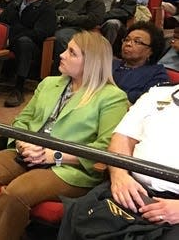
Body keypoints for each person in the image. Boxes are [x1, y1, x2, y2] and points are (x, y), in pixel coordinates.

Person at [0, 30, 129, 240]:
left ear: (91, 62)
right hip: (29, 151)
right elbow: (22, 121)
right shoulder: (50, 83)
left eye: (72, 52)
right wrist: (22, 143)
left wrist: (55, 155)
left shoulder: (112, 97)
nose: (62, 55)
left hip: (68, 166)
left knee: (15, 194)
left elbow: (106, 148)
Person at [59, 84, 179, 240]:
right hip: (131, 186)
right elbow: (122, 137)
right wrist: (119, 175)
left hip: (175, 203)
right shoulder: (157, 94)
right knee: (81, 216)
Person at [0, 0, 56, 107]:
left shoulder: (46, 8)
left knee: (25, 42)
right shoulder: (16, 2)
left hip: (34, 48)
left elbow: (40, 33)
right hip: (12, 41)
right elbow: (2, 21)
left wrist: (15, 33)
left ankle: (18, 88)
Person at [49, 0, 105, 65]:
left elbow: (94, 19)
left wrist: (66, 18)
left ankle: (61, 73)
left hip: (77, 28)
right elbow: (49, 4)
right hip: (54, 21)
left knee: (61, 38)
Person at [113, 21, 169, 103]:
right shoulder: (111, 64)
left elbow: (148, 99)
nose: (128, 44)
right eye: (127, 39)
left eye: (137, 42)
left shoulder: (156, 73)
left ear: (151, 51)